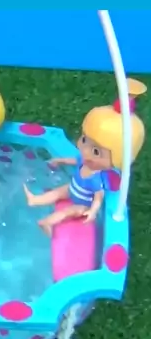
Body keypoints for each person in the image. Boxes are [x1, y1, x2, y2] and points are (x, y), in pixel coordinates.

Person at [24, 78, 147, 235]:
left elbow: (98, 198)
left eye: (96, 152)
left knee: (68, 211)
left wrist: (93, 211)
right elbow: (72, 160)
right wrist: (59, 160)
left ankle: (47, 222)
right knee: (57, 193)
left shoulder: (96, 178)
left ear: (117, 159)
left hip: (83, 203)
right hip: (72, 188)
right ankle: (34, 200)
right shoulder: (84, 162)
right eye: (84, 140)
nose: (86, 151)